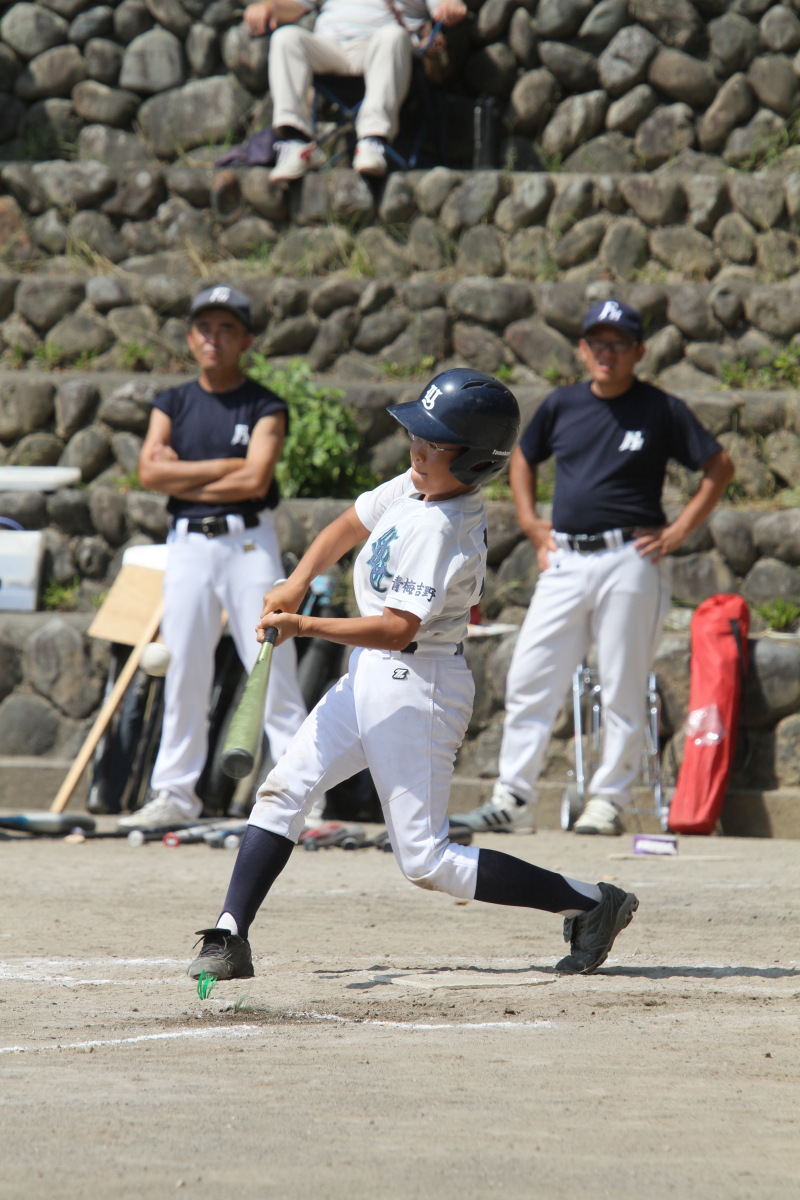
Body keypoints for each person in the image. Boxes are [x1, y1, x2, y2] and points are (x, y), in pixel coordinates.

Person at [187, 369, 640, 983]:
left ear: (475, 462)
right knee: (284, 790)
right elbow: (350, 523)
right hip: (374, 674)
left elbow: (397, 629)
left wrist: (306, 626)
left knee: (426, 861)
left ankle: (592, 902)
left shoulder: (441, 527)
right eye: (418, 436)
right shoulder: (419, 486)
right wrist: (298, 579)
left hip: (419, 686)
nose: (417, 449)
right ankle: (230, 932)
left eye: (434, 442)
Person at [452, 299, 735, 837]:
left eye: (619, 344)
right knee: (531, 673)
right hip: (564, 556)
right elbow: (524, 459)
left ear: (638, 352)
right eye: (598, 343)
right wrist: (533, 524)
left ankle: (608, 799)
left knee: (623, 682)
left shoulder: (661, 409)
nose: (607, 353)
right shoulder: (561, 405)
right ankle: (511, 797)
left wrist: (677, 532)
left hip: (630, 559)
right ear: (583, 349)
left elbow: (719, 466)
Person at [118, 285, 308, 831]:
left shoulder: (264, 403)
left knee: (271, 663)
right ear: (190, 336)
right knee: (184, 667)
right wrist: (226, 465)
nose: (214, 339)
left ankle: (297, 794)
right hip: (187, 544)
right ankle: (175, 795)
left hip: (248, 541)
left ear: (245, 339)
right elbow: (149, 473)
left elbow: (257, 477)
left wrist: (189, 468)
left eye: (227, 329)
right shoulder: (172, 401)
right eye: (205, 327)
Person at [243, 0, 467, 181]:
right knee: (286, 38)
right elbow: (295, 4)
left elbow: (444, 6)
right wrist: (270, 6)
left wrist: (452, 7)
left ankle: (373, 140)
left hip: (379, 49)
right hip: (330, 48)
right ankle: (296, 143)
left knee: (393, 35)